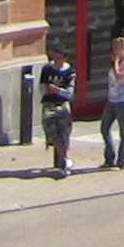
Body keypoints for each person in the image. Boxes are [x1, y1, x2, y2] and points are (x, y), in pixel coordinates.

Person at [99, 33, 124, 171]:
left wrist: (115, 62)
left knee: (123, 131)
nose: (114, 50)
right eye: (113, 47)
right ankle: (110, 157)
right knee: (104, 128)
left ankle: (122, 160)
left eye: (117, 48)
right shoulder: (116, 61)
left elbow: (119, 75)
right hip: (112, 99)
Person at [38, 43, 76, 178]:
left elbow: (70, 93)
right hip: (49, 104)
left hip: (63, 105)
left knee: (64, 135)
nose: (56, 60)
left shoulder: (69, 72)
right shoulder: (47, 69)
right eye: (55, 57)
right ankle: (65, 159)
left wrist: (57, 90)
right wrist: (46, 92)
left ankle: (63, 163)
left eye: (59, 58)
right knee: (52, 134)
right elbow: (42, 88)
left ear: (64, 58)